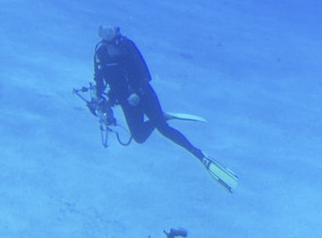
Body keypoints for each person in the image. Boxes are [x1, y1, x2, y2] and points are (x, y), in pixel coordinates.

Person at [91, 26, 237, 191]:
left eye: (114, 41)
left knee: (164, 130)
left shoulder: (127, 47)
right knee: (138, 136)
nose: (112, 48)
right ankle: (162, 117)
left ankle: (197, 153)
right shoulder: (100, 54)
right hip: (125, 101)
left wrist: (138, 93)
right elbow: (99, 80)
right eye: (108, 43)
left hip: (144, 94)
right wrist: (98, 99)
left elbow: (145, 75)